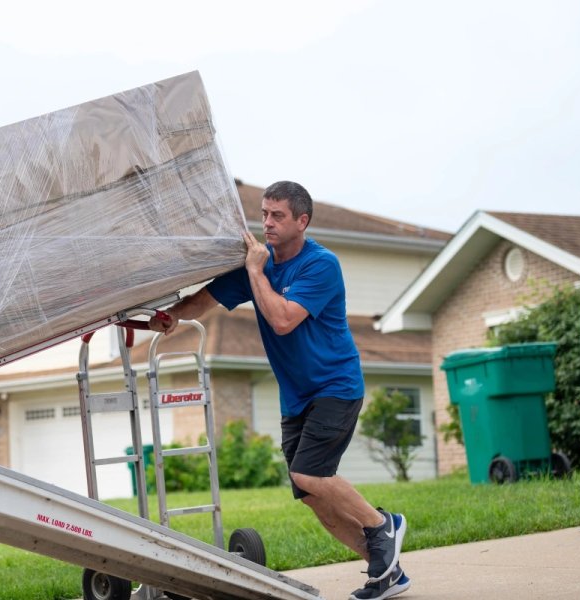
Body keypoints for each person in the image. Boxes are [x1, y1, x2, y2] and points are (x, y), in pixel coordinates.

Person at [151, 181, 410, 600]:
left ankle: (384, 525)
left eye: (277, 216)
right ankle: (386, 571)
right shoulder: (258, 262)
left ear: (302, 221)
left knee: (309, 473)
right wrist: (174, 317)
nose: (266, 223)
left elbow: (283, 320)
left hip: (336, 386)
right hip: (297, 396)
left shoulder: (320, 265)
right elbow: (208, 298)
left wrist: (255, 271)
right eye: (264, 213)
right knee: (310, 494)